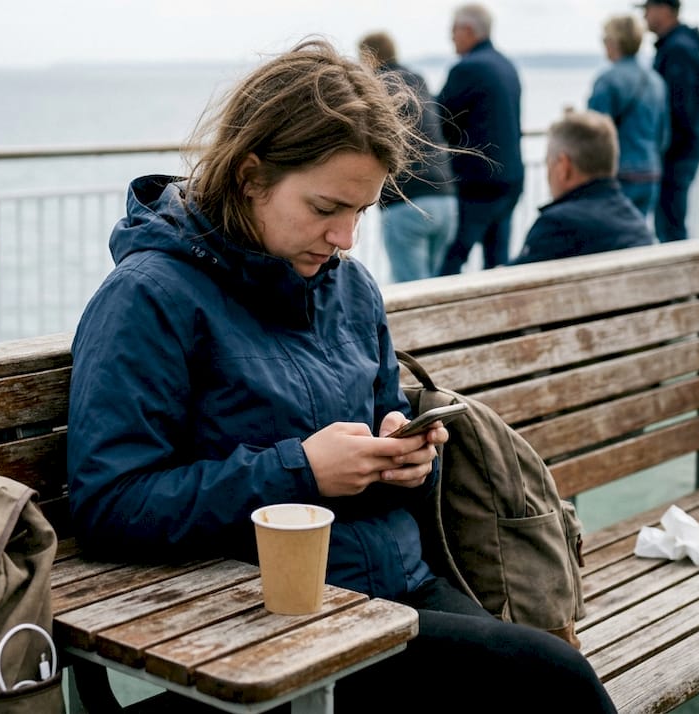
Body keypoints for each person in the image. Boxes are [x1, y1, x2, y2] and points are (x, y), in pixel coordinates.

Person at [65, 39, 617, 713]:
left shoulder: (349, 290)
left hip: (396, 587)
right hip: (267, 626)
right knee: (555, 682)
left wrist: (410, 460)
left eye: (360, 211)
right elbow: (110, 503)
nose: (347, 238)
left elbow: (386, 431)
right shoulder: (149, 297)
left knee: (548, 671)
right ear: (249, 175)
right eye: (327, 208)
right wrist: (301, 471)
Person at [357, 31, 458, 283]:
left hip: (408, 202)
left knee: (411, 289)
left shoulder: (375, 87)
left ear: (369, 57)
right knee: (435, 287)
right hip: (445, 198)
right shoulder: (418, 80)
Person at [435, 3, 524, 274]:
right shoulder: (507, 66)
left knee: (450, 261)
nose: (450, 37)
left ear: (469, 30)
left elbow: (441, 118)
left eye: (453, 30)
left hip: (478, 183)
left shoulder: (468, 69)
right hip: (510, 179)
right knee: (497, 263)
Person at [511, 110, 655, 265]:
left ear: (563, 166)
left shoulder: (556, 225)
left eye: (548, 162)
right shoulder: (635, 222)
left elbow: (515, 281)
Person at [587, 14, 668, 218]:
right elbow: (663, 134)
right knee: (637, 237)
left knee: (611, 241)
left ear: (615, 42)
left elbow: (593, 134)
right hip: (650, 172)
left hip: (619, 175)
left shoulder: (608, 80)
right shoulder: (656, 81)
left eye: (605, 39)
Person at [641, 0, 699, 242]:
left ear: (665, 10)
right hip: (678, 152)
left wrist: (663, 147)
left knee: (671, 229)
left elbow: (680, 110)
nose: (645, 15)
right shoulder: (678, 47)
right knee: (670, 226)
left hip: (675, 155)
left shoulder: (677, 49)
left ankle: (681, 278)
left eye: (648, 9)